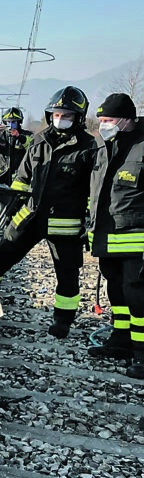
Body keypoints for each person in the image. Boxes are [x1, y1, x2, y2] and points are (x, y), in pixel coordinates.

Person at [0, 86, 96, 338]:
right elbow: (22, 179)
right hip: (29, 218)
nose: (60, 119)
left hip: (65, 225)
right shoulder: (39, 141)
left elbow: (94, 190)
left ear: (79, 117)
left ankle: (63, 321)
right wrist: (11, 209)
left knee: (67, 275)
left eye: (66, 115)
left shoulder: (88, 147)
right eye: (56, 114)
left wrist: (89, 224)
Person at [86, 92, 144, 378]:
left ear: (126, 119)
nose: (103, 125)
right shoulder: (105, 147)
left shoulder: (141, 147)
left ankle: (141, 354)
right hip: (108, 235)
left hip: (137, 236)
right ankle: (120, 340)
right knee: (116, 289)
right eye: (101, 120)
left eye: (109, 120)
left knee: (137, 293)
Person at [0, 107, 33, 185]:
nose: (11, 124)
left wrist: (19, 136)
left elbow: (32, 147)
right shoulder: (0, 134)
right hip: (0, 173)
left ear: (19, 122)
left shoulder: (26, 135)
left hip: (17, 175)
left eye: (13, 122)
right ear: (5, 122)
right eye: (8, 121)